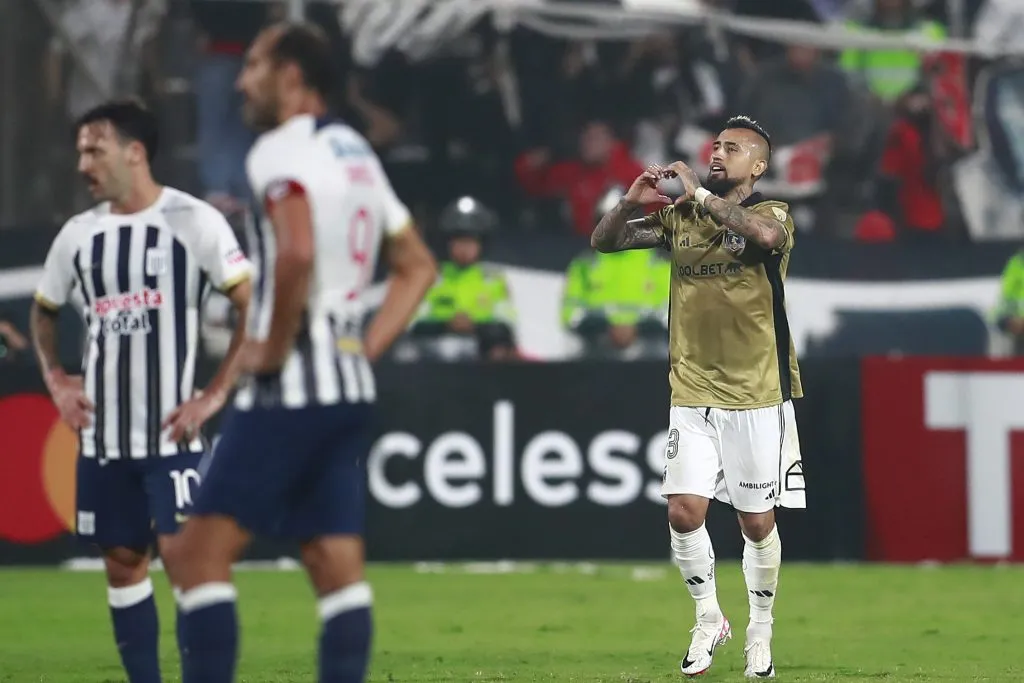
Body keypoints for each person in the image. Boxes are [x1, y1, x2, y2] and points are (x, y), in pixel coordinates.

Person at [172, 22, 437, 683]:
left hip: (288, 389)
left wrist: (271, 348)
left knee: (196, 555)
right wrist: (360, 351)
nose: (241, 82)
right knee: (333, 563)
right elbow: (417, 266)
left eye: (254, 65)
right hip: (347, 386)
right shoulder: (355, 151)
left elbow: (294, 252)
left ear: (291, 76)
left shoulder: (276, 151)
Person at [29, 99, 252, 683]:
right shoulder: (78, 235)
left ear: (134, 152)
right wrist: (57, 380)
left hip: (173, 436)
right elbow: (44, 310)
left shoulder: (194, 221)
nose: (83, 164)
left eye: (94, 150)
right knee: (123, 565)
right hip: (104, 442)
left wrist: (215, 394)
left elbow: (252, 306)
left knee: (186, 559)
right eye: (80, 151)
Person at [592, 115, 806, 679]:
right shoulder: (680, 218)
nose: (717, 153)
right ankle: (708, 616)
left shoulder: (773, 213)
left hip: (756, 392)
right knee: (683, 511)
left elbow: (765, 239)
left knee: (756, 524)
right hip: (691, 389)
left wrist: (701, 195)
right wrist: (628, 202)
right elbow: (606, 241)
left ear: (757, 166)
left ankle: (760, 628)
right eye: (715, 146)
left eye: (732, 148)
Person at [411, 195, 517, 361]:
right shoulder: (431, 278)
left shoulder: (493, 280)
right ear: (448, 243)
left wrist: (474, 326)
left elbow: (507, 325)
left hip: (483, 362)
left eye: (470, 241)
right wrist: (447, 325)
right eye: (459, 241)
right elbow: (414, 325)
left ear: (481, 244)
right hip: (434, 361)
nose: (464, 248)